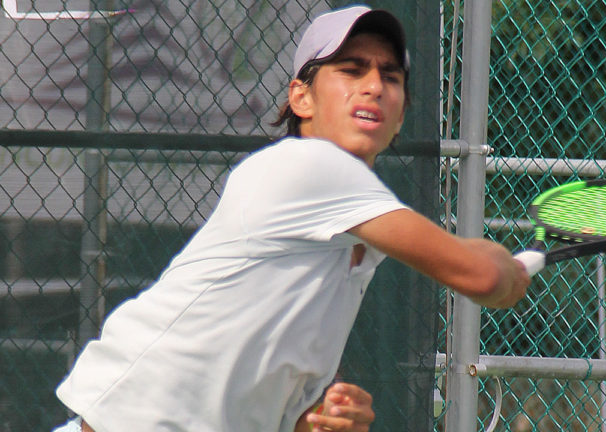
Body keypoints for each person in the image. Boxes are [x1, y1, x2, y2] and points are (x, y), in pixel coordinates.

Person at [53, 5, 531, 432]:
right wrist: (502, 268)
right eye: (351, 69)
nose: (373, 86)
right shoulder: (311, 166)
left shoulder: (355, 245)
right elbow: (483, 276)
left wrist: (323, 418)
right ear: (301, 98)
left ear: (402, 113)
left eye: (391, 76)